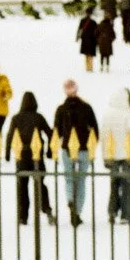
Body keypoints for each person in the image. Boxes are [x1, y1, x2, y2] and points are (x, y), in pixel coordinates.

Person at [52, 80, 98, 227]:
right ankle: (77, 211)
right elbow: (95, 128)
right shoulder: (86, 107)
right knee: (82, 181)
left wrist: (52, 148)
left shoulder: (61, 109)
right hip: (84, 148)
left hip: (67, 149)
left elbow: (56, 132)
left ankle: (71, 199)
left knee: (69, 178)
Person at [5, 93, 55, 225]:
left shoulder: (16, 118)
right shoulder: (38, 117)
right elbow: (51, 134)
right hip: (36, 155)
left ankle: (23, 216)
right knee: (40, 184)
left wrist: (7, 154)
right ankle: (46, 208)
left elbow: (10, 135)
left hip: (21, 155)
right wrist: (50, 151)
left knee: (22, 186)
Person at [100, 89, 130, 224]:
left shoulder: (108, 115)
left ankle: (112, 211)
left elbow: (103, 137)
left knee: (114, 183)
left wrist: (104, 155)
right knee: (126, 184)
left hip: (112, 154)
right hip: (126, 155)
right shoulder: (127, 115)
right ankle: (125, 214)